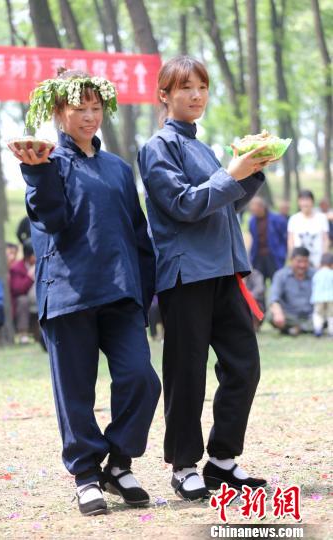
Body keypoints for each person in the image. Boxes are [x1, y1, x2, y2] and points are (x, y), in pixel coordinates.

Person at [10, 68, 161, 516]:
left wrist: (143, 292)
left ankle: (118, 463)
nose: (90, 117)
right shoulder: (47, 161)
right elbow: (50, 219)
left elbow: (138, 234)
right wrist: (35, 173)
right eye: (80, 109)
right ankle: (85, 475)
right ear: (59, 111)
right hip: (70, 295)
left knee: (141, 379)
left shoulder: (117, 168)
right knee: (75, 391)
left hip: (120, 295)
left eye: (96, 108)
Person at [138, 55, 271, 501]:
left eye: (202, 87)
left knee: (244, 366)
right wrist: (230, 174)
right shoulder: (158, 147)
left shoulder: (203, 146)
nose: (196, 95)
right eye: (185, 88)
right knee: (186, 373)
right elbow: (183, 204)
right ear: (164, 95)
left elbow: (222, 204)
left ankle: (222, 461)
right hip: (185, 276)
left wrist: (250, 172)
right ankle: (183, 465)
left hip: (223, 270)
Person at [268, 247, 314, 335]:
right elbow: (274, 297)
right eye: (299, 261)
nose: (302, 265)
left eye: (305, 261)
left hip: (311, 316)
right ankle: (304, 328)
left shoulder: (315, 275)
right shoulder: (280, 275)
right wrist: (278, 312)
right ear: (291, 260)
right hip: (290, 316)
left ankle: (297, 329)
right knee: (271, 315)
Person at [248, 196, 287, 285]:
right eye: (252, 210)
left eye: (255, 210)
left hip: (274, 257)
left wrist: (282, 253)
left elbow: (284, 238)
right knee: (259, 285)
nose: (253, 212)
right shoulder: (252, 221)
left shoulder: (277, 220)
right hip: (258, 258)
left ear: (262, 207)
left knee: (277, 283)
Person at [288, 190, 329, 267]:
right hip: (299, 261)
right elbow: (291, 240)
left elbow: (325, 240)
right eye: (302, 200)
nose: (305, 203)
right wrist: (292, 257)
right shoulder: (293, 219)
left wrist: (324, 259)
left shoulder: (321, 218)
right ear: (298, 202)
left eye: (307, 200)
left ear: (312, 202)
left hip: (317, 260)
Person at [9, 239, 36, 344]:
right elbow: (18, 289)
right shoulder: (17, 268)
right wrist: (30, 276)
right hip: (24, 305)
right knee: (22, 300)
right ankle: (23, 333)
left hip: (39, 303)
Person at [310, 253, 333, 337]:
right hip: (331, 298)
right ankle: (331, 331)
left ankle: (318, 329)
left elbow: (313, 286)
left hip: (318, 298)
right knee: (331, 315)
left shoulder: (317, 274)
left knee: (318, 314)